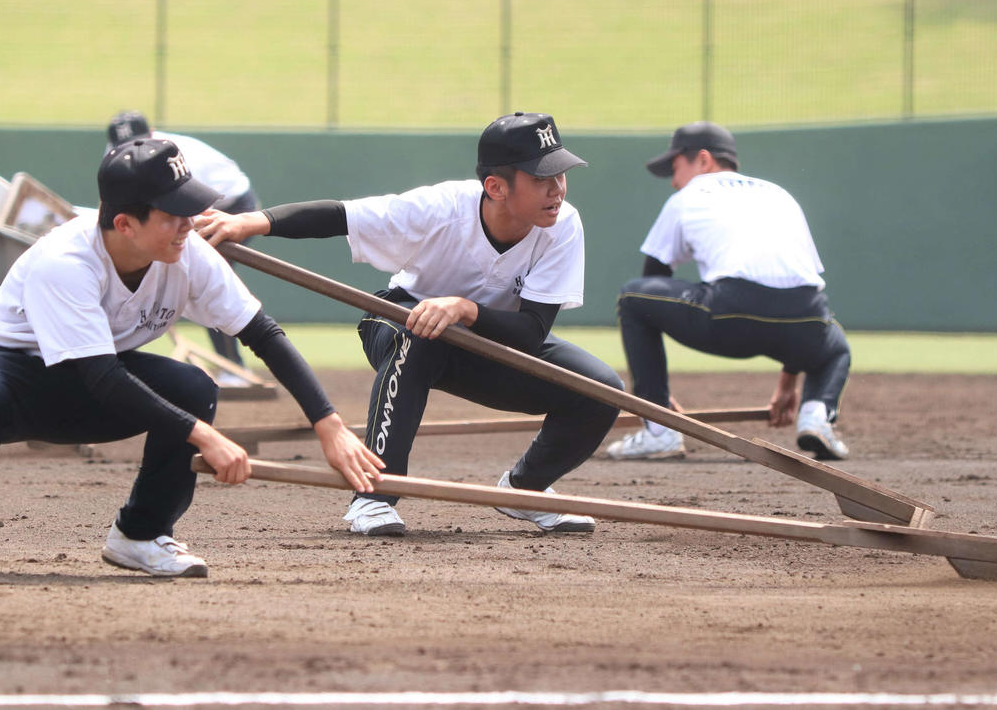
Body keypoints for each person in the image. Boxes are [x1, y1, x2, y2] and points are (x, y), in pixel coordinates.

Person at [0, 138, 384, 577]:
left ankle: (141, 534)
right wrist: (205, 437)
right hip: (13, 381)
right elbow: (100, 376)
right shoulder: (65, 261)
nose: (189, 225)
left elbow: (263, 333)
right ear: (125, 224)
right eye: (174, 214)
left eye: (190, 210)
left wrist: (328, 424)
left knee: (193, 388)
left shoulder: (187, 252)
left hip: (93, 383)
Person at [195, 111, 622, 537]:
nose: (557, 188)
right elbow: (341, 216)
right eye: (542, 177)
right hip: (399, 320)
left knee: (601, 389)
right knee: (420, 336)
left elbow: (530, 332)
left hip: (493, 340)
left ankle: (525, 489)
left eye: (561, 174)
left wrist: (464, 309)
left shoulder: (563, 224)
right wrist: (249, 221)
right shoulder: (440, 208)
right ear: (496, 187)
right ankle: (374, 496)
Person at [605, 121, 852, 462]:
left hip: (732, 315)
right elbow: (789, 292)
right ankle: (816, 416)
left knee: (634, 298)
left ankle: (658, 431)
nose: (674, 180)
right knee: (835, 348)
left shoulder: (688, 195)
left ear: (703, 160)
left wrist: (655, 398)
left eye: (675, 167)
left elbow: (654, 281)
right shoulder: (779, 193)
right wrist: (788, 383)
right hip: (806, 318)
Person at [107, 109, 259, 380]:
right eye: (124, 144)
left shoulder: (174, 157)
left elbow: (189, 208)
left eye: (138, 140)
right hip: (175, 210)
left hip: (232, 205)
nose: (131, 147)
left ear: (152, 133)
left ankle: (233, 368)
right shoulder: (118, 157)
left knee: (207, 277)